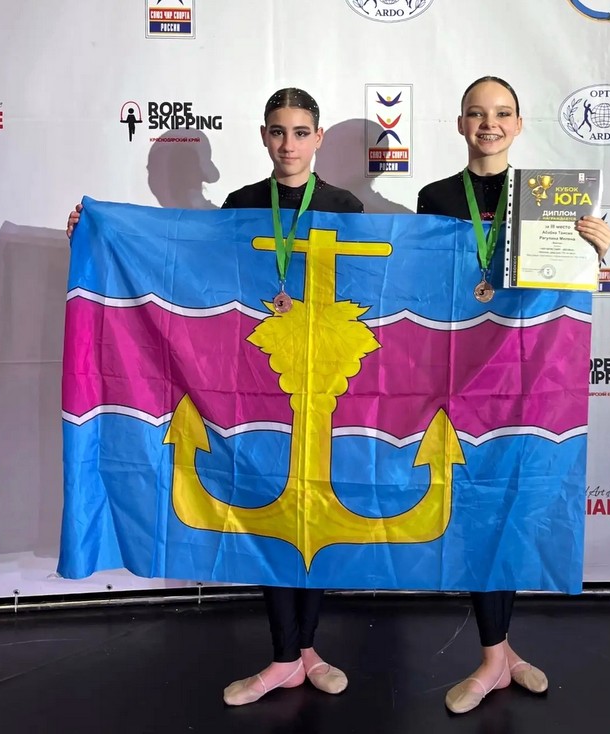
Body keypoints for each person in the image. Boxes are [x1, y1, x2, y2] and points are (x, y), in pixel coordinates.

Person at [66, 88, 363, 707]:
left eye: (300, 132)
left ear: (318, 137)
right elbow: (197, 275)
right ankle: (284, 654)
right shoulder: (241, 205)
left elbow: (370, 288)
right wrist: (95, 235)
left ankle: (306, 649)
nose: (288, 144)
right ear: (263, 135)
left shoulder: (345, 206)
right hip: (257, 378)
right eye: (277, 131)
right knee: (270, 510)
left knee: (314, 513)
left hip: (323, 383)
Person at [417, 75, 610, 715]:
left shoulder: (547, 198)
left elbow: (565, 281)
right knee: (477, 509)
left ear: (519, 125)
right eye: (477, 113)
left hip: (525, 378)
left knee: (514, 504)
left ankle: (500, 653)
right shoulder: (434, 196)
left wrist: (597, 251)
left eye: (502, 113)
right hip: (461, 375)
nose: (489, 124)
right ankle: (493, 654)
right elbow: (427, 286)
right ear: (460, 123)